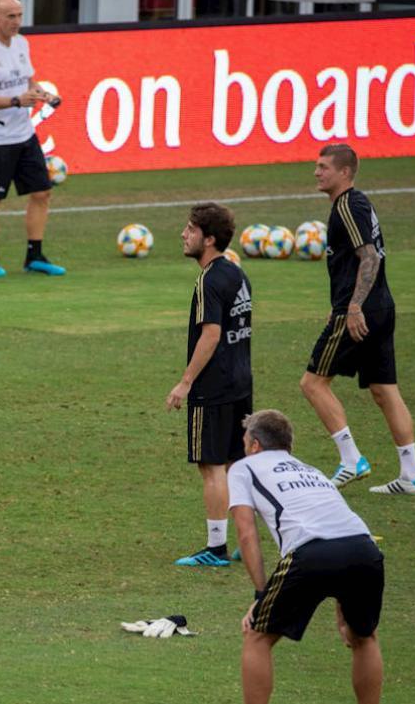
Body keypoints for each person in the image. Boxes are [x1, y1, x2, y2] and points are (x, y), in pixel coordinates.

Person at [230, 409, 385, 704]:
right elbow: (336, 524)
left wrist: (261, 594)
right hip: (364, 549)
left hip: (311, 552)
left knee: (257, 635)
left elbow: (246, 533)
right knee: (364, 637)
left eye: (244, 442)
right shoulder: (311, 471)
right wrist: (343, 598)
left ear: (254, 446)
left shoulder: (243, 468)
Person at [300, 144, 415, 495]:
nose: (316, 172)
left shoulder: (346, 207)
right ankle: (411, 476)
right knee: (384, 389)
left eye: (323, 167)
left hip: (360, 311)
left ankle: (351, 459)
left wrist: (352, 306)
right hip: (382, 307)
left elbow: (368, 257)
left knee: (312, 384)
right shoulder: (358, 202)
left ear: (344, 172)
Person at [165, 203, 252, 567]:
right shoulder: (236, 273)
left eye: (190, 229)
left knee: (211, 466)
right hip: (240, 381)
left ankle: (215, 549)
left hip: (213, 386)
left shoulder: (208, 280)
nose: (184, 235)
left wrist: (186, 382)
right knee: (236, 465)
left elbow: (212, 334)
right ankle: (244, 542)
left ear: (209, 238)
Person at [0, 0, 65, 278]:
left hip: (24, 132)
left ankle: (34, 255)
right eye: (10, 16)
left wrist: (44, 95)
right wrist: (16, 100)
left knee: (42, 191)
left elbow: (29, 83)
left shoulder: (22, 43)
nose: (16, 21)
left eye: (19, 15)